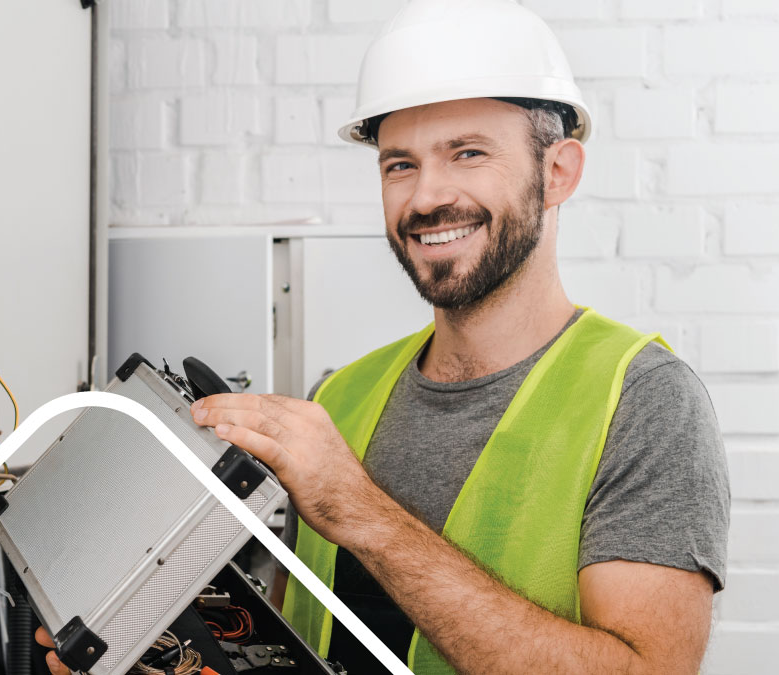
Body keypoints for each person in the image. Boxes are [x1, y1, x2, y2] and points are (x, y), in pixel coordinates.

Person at [37, 1, 729, 673]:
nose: (426, 197)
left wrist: (361, 510)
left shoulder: (642, 401)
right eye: (400, 164)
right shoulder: (341, 396)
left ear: (558, 173)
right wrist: (162, 655)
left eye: (466, 153)